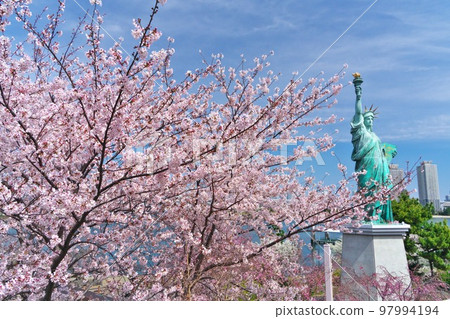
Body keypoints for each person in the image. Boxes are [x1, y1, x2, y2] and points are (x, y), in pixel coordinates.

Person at [350, 74, 396, 223]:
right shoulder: (361, 131)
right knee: (366, 190)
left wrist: (387, 154)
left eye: (371, 118)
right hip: (366, 167)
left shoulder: (376, 137)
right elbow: (358, 113)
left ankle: (377, 216)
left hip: (379, 168)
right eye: (367, 117)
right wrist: (358, 96)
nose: (370, 120)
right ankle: (365, 215)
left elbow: (382, 153)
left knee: (379, 191)